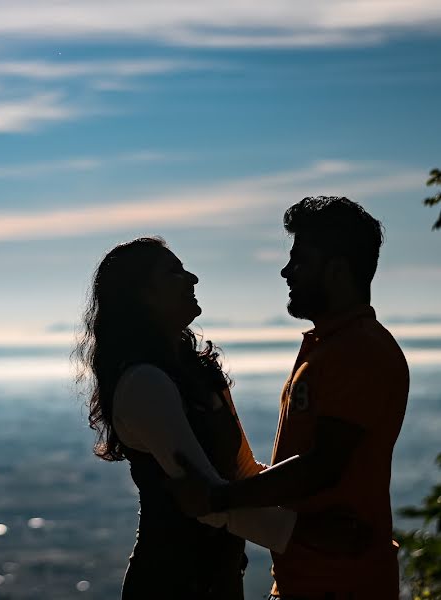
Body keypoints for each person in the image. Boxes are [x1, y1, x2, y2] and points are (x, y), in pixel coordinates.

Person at [169, 197, 408, 600]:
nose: (286, 271)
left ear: (335, 272)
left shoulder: (358, 350)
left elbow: (321, 467)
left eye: (299, 261)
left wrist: (217, 498)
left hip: (343, 583)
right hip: (317, 576)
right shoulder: (331, 346)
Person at [75, 236, 336, 599]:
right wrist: (314, 537)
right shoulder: (144, 383)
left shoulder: (197, 372)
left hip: (220, 579)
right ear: (142, 296)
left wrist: (308, 503)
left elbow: (240, 473)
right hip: (171, 584)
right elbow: (206, 503)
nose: (193, 278)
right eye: (174, 272)